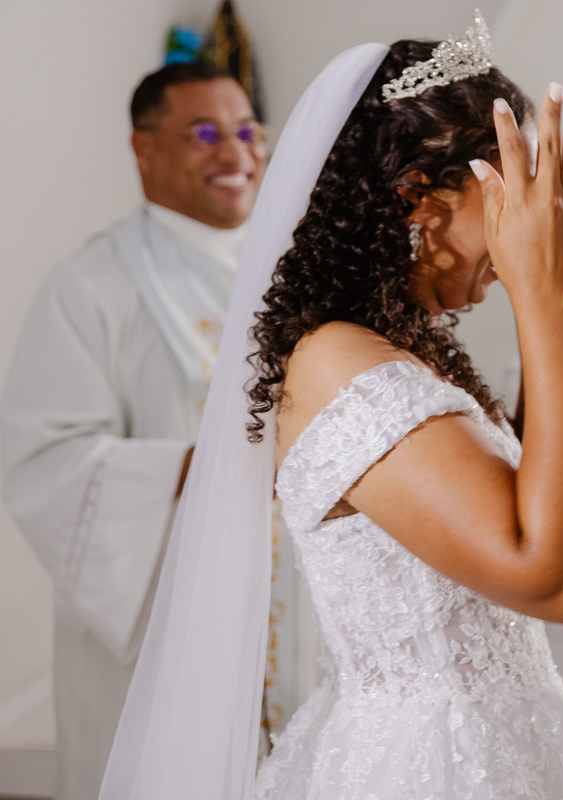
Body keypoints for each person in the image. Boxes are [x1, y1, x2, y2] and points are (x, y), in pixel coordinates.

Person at [100, 15, 563, 800]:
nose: (532, 221)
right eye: (512, 196)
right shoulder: (338, 362)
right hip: (432, 768)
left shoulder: (399, 348)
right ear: (419, 198)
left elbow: (553, 515)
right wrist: (552, 294)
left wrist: (548, 292)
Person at [0, 62, 263, 800]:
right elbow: (45, 459)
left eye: (248, 131)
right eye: (204, 133)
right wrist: (204, 465)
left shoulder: (292, 267)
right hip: (159, 620)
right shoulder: (90, 286)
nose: (235, 153)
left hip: (286, 603)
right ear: (143, 149)